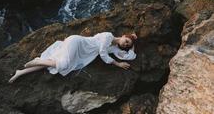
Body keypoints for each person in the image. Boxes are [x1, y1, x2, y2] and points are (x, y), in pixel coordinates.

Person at [8, 31, 137, 83]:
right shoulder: (108, 36)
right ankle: (37, 60)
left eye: (127, 45)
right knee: (63, 65)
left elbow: (130, 56)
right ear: (123, 35)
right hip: (76, 43)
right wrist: (117, 64)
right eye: (126, 40)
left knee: (51, 63)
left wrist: (133, 43)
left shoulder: (113, 48)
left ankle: (20, 72)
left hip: (79, 53)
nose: (125, 44)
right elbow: (103, 54)